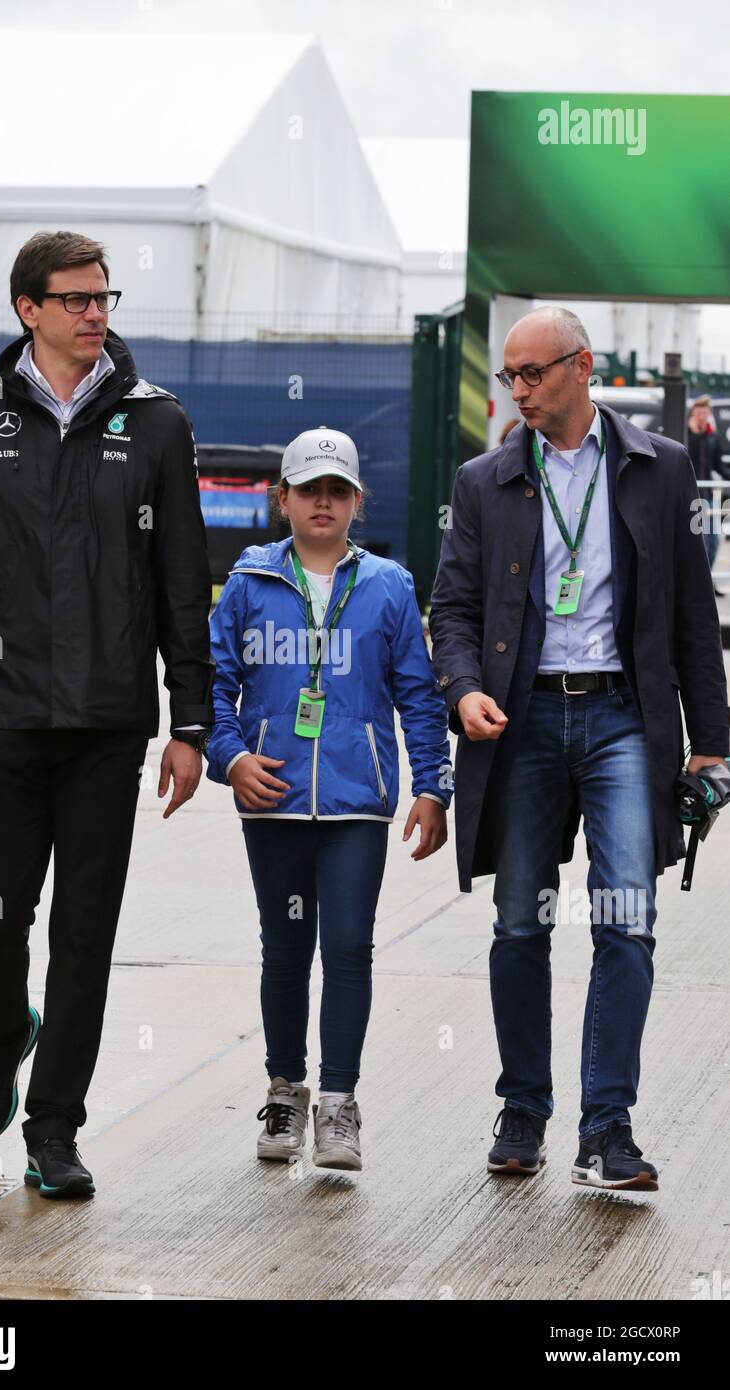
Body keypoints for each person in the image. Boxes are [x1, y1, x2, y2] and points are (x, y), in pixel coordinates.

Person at [0, 230, 214, 1199]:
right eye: (74, 299)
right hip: (7, 718)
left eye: (103, 296)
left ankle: (53, 1127)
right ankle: (0, 1033)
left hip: (110, 723)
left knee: (85, 933)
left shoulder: (155, 425)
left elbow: (181, 582)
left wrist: (190, 724)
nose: (95, 311)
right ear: (28, 309)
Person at [430, 307, 728, 1193]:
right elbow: (452, 610)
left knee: (626, 920)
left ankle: (608, 1126)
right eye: (509, 377)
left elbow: (691, 616)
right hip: (518, 721)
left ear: (582, 367)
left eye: (533, 374)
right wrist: (462, 690)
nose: (517, 390)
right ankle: (524, 1107)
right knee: (521, 920)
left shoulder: (658, 467)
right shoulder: (485, 480)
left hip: (623, 721)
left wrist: (711, 744)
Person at [205, 427, 452, 1172]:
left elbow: (418, 693)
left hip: (356, 804)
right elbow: (212, 686)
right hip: (272, 800)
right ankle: (286, 1092)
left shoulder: (389, 586)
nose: (323, 502)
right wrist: (232, 757)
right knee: (284, 951)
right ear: (282, 499)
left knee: (348, 948)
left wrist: (432, 785)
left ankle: (338, 1105)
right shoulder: (249, 584)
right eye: (308, 489)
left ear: (356, 503)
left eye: (337, 490)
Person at [687, 394, 730, 596]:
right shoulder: (687, 435)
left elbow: (720, 467)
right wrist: (694, 434)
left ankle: (709, 581)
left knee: (714, 540)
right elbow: (686, 458)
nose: (702, 416)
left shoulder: (713, 437)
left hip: (707, 497)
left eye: (705, 413)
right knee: (697, 542)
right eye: (699, 413)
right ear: (693, 414)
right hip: (691, 498)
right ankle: (697, 585)